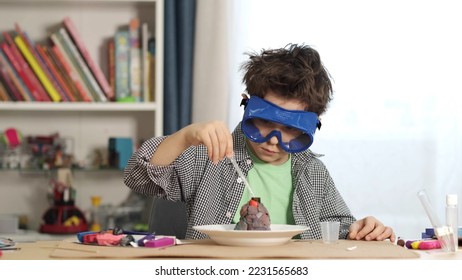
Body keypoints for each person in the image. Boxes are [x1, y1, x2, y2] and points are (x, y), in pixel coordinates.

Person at [124, 43, 395, 242]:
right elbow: (137, 176)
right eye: (264, 123)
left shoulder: (313, 172)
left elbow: (341, 229)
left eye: (289, 129)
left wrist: (365, 229)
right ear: (247, 106)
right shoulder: (211, 155)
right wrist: (185, 137)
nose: (272, 140)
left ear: (312, 125)